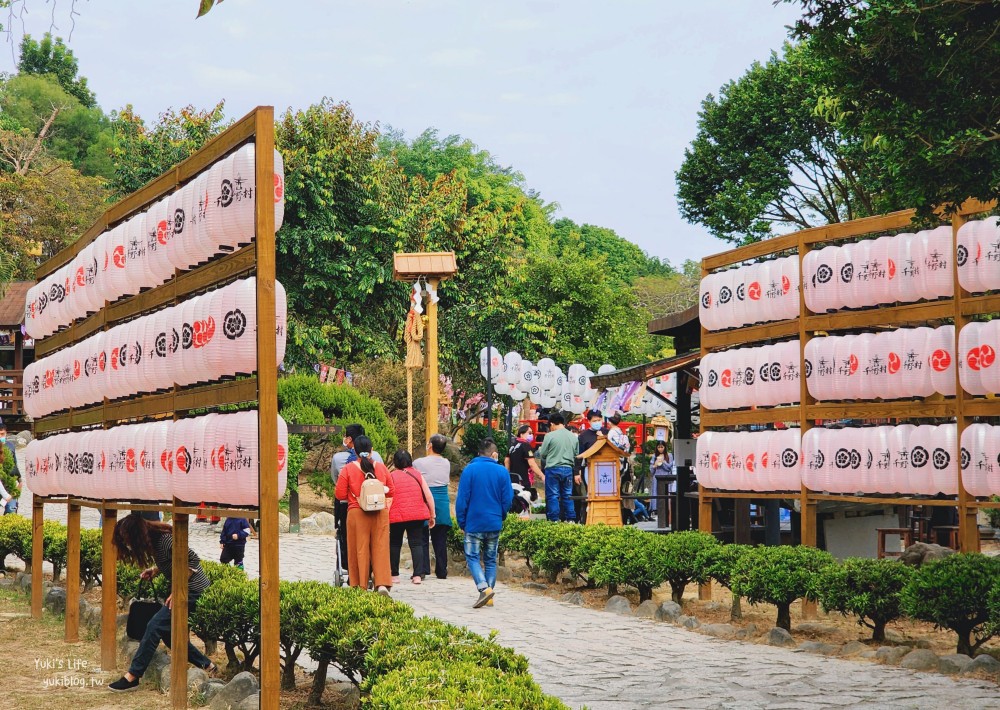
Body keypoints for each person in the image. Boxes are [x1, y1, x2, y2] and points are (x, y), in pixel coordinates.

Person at [108, 513, 218, 692]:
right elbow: (172, 561)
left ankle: (133, 676)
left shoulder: (165, 540)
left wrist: (179, 590)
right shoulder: (154, 541)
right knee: (169, 635)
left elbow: (192, 560)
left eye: (127, 540)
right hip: (185, 589)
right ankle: (208, 666)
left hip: (194, 590)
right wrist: (155, 570)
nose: (127, 545)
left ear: (136, 535)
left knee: (154, 626)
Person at [455, 439, 512, 608]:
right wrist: (501, 515)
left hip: (474, 522)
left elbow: (462, 500)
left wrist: (462, 521)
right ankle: (489, 593)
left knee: (472, 557)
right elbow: (507, 499)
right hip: (494, 522)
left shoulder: (469, 470)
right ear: (494, 454)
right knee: (490, 559)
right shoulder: (502, 471)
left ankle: (484, 588)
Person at [334, 435, 394, 595]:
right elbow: (392, 491)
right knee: (380, 548)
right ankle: (381, 584)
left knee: (358, 548)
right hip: (380, 513)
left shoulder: (348, 469)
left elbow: (339, 494)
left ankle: (360, 584)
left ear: (354, 450)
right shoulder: (381, 468)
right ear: (371, 450)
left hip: (356, 513)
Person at [330, 424, 384, 580]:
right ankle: (372, 569)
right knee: (372, 538)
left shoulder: (339, 459)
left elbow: (337, 482)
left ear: (349, 440)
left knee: (348, 537)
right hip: (372, 504)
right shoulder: (377, 457)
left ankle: (350, 569)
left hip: (347, 506)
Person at [388, 449, 435, 584]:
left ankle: (394, 575)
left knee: (395, 544)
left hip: (396, 515)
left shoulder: (391, 476)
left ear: (395, 462)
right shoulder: (418, 475)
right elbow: (428, 496)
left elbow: (388, 497)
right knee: (416, 544)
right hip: (417, 515)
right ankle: (417, 575)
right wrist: (432, 515)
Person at [413, 433, 452, 580]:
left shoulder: (419, 462)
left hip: (424, 500)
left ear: (429, 446)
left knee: (422, 536)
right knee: (440, 538)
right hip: (442, 501)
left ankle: (423, 570)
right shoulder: (447, 463)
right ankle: (442, 571)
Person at [536, 412, 577, 522]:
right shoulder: (573, 437)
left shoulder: (549, 436)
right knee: (568, 494)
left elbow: (543, 454)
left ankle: (554, 519)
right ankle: (571, 519)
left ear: (552, 424)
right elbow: (576, 454)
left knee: (553, 495)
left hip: (553, 468)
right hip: (568, 469)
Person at [574, 410, 608, 523]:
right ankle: (587, 519)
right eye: (594, 421)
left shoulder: (606, 432)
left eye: (599, 420)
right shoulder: (583, 436)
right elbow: (579, 455)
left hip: (606, 468)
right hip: (589, 469)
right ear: (589, 421)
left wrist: (603, 437)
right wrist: (576, 472)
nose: (597, 422)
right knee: (588, 494)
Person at [649, 440, 674, 517]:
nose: (660, 449)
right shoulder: (654, 456)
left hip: (666, 477)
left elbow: (670, 468)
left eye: (662, 447)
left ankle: (667, 509)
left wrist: (663, 462)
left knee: (667, 492)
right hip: (656, 477)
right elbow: (651, 470)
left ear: (665, 447)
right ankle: (656, 509)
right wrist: (655, 465)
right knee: (656, 492)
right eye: (659, 447)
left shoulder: (669, 455)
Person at [0, 418, 20, 514]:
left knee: (11, 510)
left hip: (10, 483)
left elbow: (15, 465)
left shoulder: (10, 446)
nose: (1, 437)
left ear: (6, 433)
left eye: (2, 434)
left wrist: (19, 480)